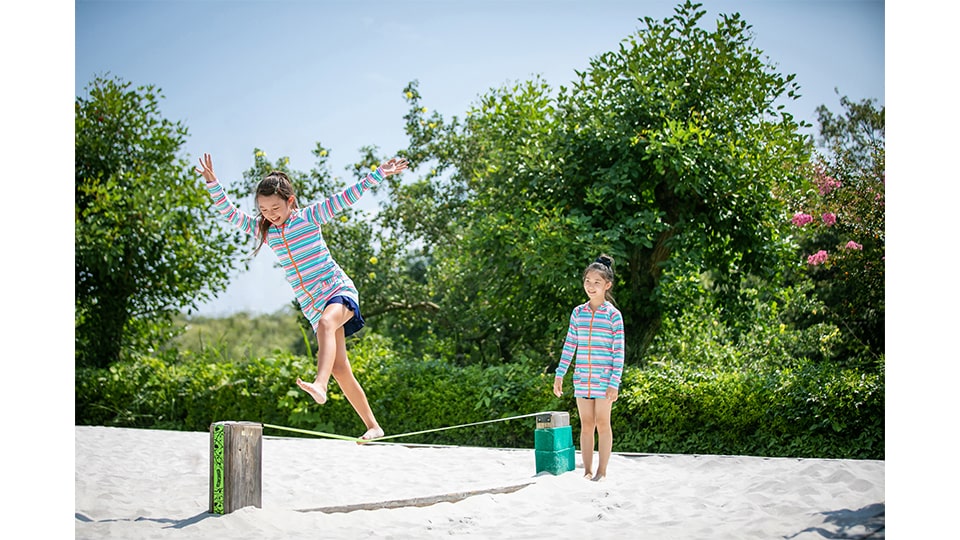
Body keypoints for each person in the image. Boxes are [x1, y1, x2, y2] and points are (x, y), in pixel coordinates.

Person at [195, 152, 408, 441]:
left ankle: (319, 385)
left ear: (290, 201)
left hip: (337, 289)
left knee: (326, 325)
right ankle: (373, 426)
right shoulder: (266, 231)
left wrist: (379, 173)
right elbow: (231, 214)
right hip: (312, 304)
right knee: (341, 368)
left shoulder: (309, 217)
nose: (270, 214)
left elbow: (345, 197)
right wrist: (213, 184)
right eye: (263, 209)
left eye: (275, 208)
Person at [552, 254, 625, 481]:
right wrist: (560, 374)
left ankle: (602, 472)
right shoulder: (578, 313)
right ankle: (587, 471)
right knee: (586, 425)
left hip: (604, 381)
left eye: (596, 282)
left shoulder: (614, 316)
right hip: (582, 378)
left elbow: (619, 352)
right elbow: (570, 344)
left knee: (603, 424)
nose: (591, 287)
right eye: (587, 281)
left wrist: (614, 383)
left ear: (607, 285)